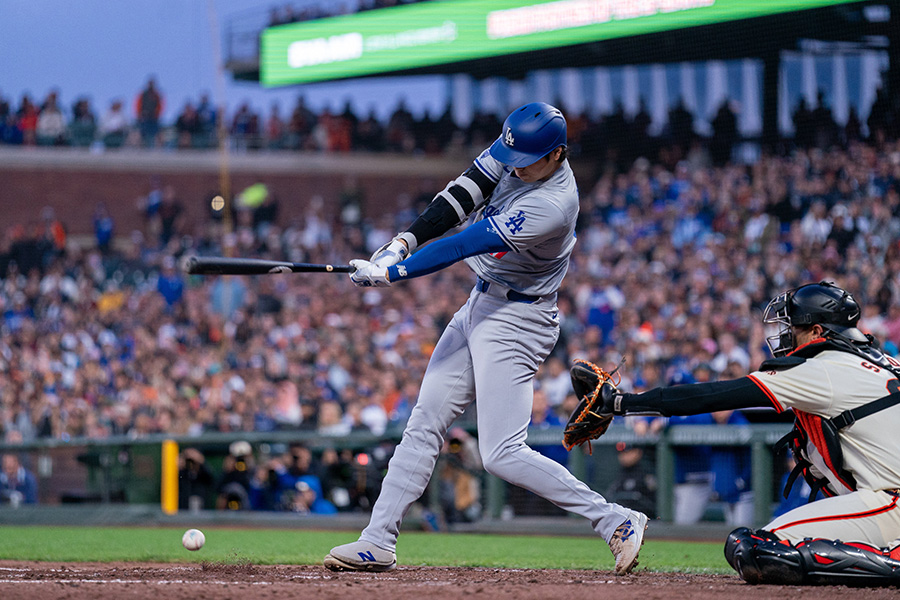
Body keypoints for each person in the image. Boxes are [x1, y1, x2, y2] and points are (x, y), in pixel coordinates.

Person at [324, 102, 647, 575]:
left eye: (525, 161)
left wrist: (393, 273)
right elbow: (462, 195)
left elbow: (465, 243)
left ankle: (615, 520)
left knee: (501, 453)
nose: (511, 167)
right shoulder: (519, 146)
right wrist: (403, 242)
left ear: (557, 154)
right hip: (481, 302)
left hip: (519, 319)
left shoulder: (553, 204)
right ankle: (377, 540)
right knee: (424, 421)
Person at [575, 281, 900, 585]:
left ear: (817, 331)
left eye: (794, 327)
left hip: (890, 502)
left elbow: (716, 395)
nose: (786, 335)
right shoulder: (885, 361)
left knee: (755, 548)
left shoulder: (823, 367)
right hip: (885, 498)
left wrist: (620, 402)